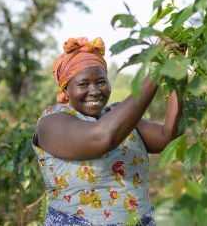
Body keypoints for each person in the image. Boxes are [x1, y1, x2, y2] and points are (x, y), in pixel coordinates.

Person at [32, 37, 182, 226]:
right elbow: (102, 137)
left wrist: (177, 75)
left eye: (101, 82)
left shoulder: (119, 116)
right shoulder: (51, 122)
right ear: (66, 89)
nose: (94, 91)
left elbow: (166, 138)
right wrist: (155, 72)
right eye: (83, 84)